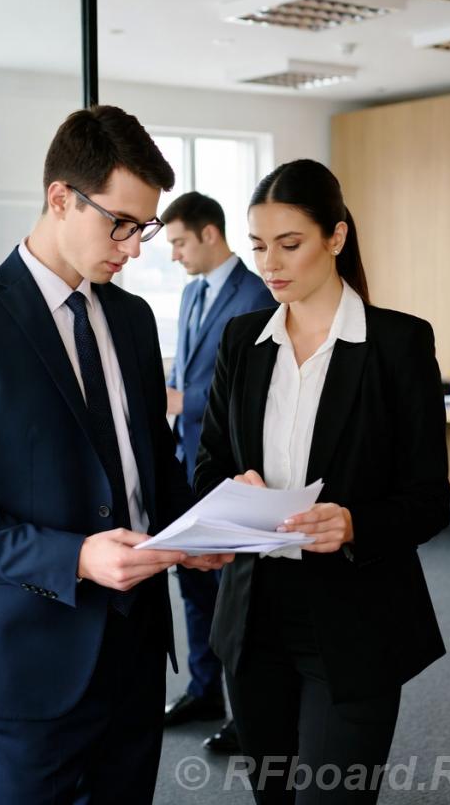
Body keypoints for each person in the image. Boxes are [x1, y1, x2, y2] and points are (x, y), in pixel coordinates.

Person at [0, 106, 231, 805]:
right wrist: (76, 557)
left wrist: (203, 528)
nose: (134, 247)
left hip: (137, 651)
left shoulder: (133, 318)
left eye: (143, 228)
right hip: (27, 659)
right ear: (60, 198)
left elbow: (149, 467)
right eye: (120, 223)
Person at [194, 159, 450, 804]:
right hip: (253, 617)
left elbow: (428, 499)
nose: (270, 265)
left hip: (353, 618)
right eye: (257, 247)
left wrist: (355, 522)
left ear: (335, 238)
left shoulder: (398, 343)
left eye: (290, 244)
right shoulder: (240, 341)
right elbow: (207, 465)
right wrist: (234, 490)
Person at [161, 191, 273, 751]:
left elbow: (250, 384)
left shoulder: (255, 293)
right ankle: (204, 689)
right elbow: (182, 367)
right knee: (192, 584)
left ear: (210, 234)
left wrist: (186, 400)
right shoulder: (188, 293)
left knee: (231, 594)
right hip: (187, 461)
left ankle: (242, 710)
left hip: (233, 465)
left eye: (179, 241)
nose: (174, 254)